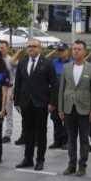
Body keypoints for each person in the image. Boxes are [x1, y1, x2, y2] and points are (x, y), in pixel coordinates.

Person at [13, 38, 58, 171]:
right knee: (27, 131)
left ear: (40, 48)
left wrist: (52, 102)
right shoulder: (22, 62)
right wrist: (17, 101)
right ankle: (28, 158)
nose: (31, 48)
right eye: (29, 46)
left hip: (41, 103)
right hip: (26, 103)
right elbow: (18, 83)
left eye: (34, 46)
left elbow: (54, 84)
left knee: (40, 132)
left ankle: (40, 160)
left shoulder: (47, 63)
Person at [58, 41, 91, 177]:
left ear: (85, 52)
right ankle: (71, 164)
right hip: (69, 107)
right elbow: (62, 89)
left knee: (84, 139)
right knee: (71, 138)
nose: (75, 51)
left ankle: (82, 165)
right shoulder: (66, 67)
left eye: (79, 49)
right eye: (74, 49)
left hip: (84, 108)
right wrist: (61, 109)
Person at [47, 43, 71, 150]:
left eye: (62, 50)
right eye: (59, 51)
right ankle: (57, 141)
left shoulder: (72, 63)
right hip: (55, 96)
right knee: (55, 119)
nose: (60, 53)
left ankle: (66, 141)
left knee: (67, 120)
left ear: (67, 51)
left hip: (67, 96)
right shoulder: (53, 63)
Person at [0, 40, 16, 144]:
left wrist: (13, 92)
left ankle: (8, 134)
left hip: (9, 89)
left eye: (2, 48)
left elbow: (16, 76)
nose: (0, 50)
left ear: (7, 48)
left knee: (8, 112)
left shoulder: (10, 60)